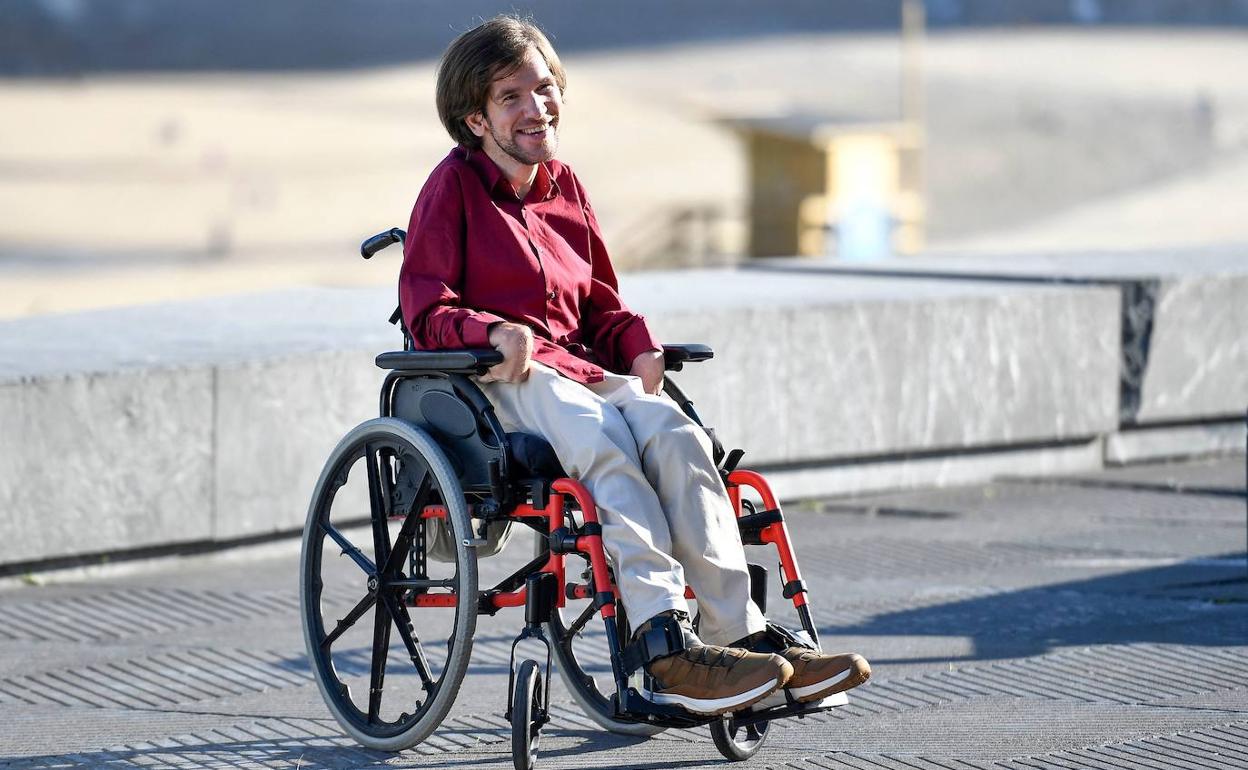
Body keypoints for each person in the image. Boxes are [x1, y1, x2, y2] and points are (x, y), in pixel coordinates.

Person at [399, 15, 870, 716]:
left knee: (675, 433)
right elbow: (424, 309)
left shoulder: (566, 188)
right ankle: (663, 643)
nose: (538, 107)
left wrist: (637, 344)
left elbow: (599, 306)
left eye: (546, 87)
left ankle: (738, 637)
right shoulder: (452, 191)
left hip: (582, 372)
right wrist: (492, 330)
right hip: (500, 386)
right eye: (512, 97)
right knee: (603, 439)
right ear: (474, 118)